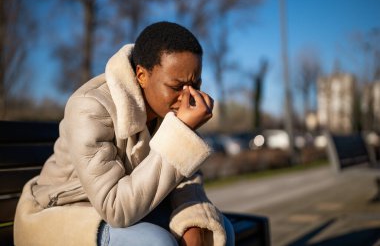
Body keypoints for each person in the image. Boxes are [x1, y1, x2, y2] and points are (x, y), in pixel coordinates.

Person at [14, 21, 234, 246]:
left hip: (130, 209)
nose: (189, 97)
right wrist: (182, 132)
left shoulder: (167, 109)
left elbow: (185, 179)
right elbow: (115, 209)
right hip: (65, 214)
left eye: (195, 85)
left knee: (217, 230)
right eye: (177, 87)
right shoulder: (89, 107)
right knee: (155, 242)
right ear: (142, 75)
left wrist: (193, 222)